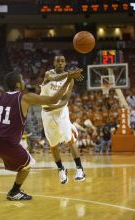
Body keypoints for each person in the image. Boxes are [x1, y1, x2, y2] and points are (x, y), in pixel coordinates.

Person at [0, 69, 82, 201]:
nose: (24, 81)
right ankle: (14, 191)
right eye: (22, 80)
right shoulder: (24, 97)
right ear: (18, 84)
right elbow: (53, 99)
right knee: (28, 163)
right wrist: (68, 80)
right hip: (7, 141)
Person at [40, 55, 85, 184]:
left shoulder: (70, 80)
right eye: (57, 61)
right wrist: (69, 75)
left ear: (65, 63)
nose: (60, 63)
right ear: (54, 63)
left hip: (61, 112)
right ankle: (61, 169)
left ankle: (79, 168)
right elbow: (55, 78)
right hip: (47, 113)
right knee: (53, 145)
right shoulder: (49, 74)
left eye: (62, 61)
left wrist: (55, 106)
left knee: (69, 140)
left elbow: (65, 99)